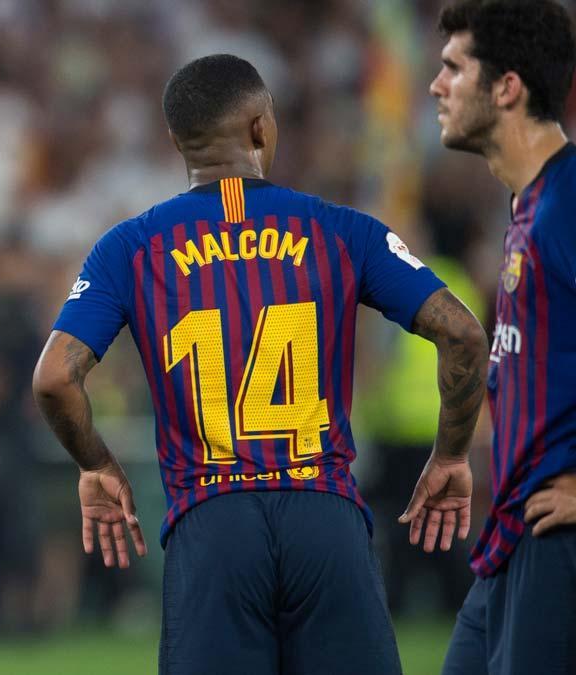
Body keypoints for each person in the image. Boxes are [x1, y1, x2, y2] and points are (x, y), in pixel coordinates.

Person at [32, 54, 488, 675]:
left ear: (176, 142)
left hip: (210, 519)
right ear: (260, 128)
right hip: (323, 513)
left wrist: (97, 464)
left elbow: (56, 377)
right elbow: (463, 332)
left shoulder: (129, 247)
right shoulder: (341, 230)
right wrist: (453, 455)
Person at [428, 2, 576, 672]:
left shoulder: (568, 206)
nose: (437, 85)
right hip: (512, 533)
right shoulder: (528, 206)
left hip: (557, 535)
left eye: (454, 68)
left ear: (507, 87)